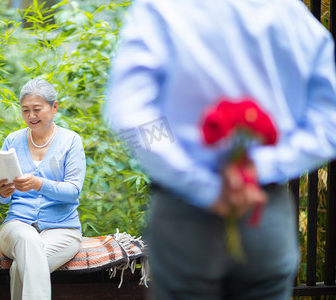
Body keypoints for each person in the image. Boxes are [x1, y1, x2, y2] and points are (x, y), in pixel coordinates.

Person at [106, 0, 336, 299]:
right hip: (264, 212)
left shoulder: (160, 9)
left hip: (184, 217)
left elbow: (132, 117)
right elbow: (327, 124)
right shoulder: (291, 12)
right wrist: (262, 167)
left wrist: (194, 177)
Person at [0, 78, 86, 300]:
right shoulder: (12, 140)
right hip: (17, 227)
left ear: (54, 107)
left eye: (37, 109)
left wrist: (39, 184)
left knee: (20, 268)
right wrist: (2, 192)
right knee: (28, 239)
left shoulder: (70, 141)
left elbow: (73, 190)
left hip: (63, 230)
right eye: (25, 110)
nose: (31, 116)